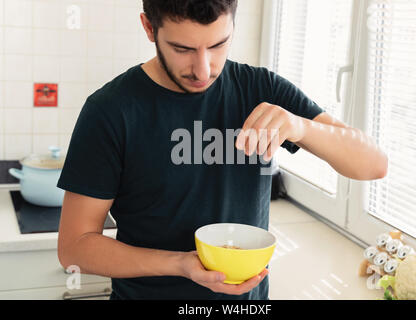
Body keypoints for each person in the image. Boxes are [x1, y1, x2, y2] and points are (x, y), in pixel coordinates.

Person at [57, 0, 388, 300]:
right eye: (182, 48)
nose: (203, 69)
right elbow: (74, 249)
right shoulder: (111, 111)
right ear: (148, 27)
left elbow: (373, 165)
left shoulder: (261, 89)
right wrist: (180, 264)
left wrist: (302, 126)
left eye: (218, 45)